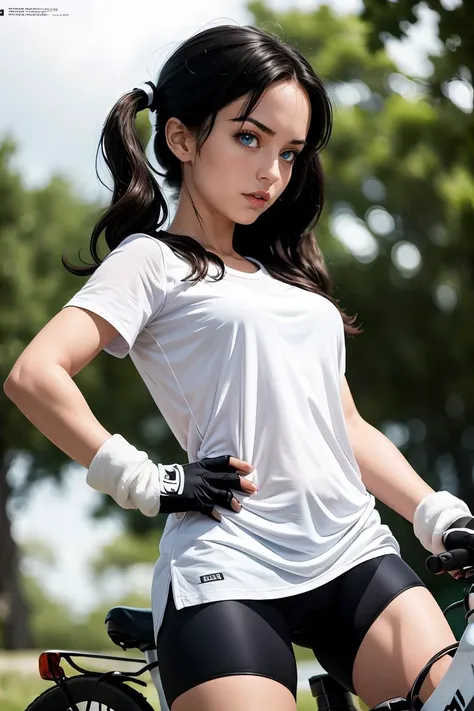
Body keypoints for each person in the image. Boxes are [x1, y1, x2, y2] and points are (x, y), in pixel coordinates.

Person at [3, 22, 473, 711]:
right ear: (182, 138)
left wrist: (436, 511)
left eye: (289, 152)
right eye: (249, 138)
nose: (271, 173)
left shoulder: (294, 280)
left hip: (354, 552)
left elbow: (344, 422)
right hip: (228, 570)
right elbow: (35, 374)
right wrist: (148, 480)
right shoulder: (151, 261)